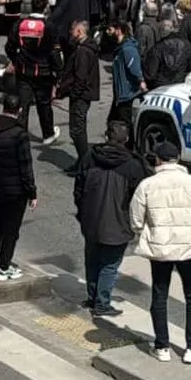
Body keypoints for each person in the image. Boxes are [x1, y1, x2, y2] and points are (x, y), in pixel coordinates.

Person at [129, 140, 191, 364]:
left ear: (157, 160)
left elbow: (136, 219)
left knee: (159, 295)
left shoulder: (147, 185)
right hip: (189, 248)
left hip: (160, 248)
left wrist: (143, 233)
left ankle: (162, 346)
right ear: (178, 159)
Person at [75, 119, 145, 316]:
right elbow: (138, 198)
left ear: (106, 136)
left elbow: (78, 190)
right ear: (127, 140)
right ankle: (102, 303)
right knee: (110, 265)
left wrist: (82, 213)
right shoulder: (132, 166)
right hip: (119, 223)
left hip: (91, 219)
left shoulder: (90, 157)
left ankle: (92, 297)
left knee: (92, 259)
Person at [0, 91, 37, 280]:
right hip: (16, 191)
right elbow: (26, 166)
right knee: (11, 229)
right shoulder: (19, 134)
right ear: (19, 110)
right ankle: (4, 265)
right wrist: (32, 193)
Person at [54, 18, 100, 166]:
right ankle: (82, 161)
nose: (70, 33)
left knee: (77, 130)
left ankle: (85, 162)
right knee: (77, 129)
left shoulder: (83, 51)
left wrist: (73, 93)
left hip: (81, 96)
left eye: (72, 30)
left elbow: (80, 76)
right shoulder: (84, 49)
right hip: (82, 94)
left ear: (79, 31)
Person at [10, 10, 59, 140]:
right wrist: (58, 71)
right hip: (43, 72)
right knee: (44, 104)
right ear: (45, 9)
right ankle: (48, 134)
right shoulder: (48, 26)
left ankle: (20, 136)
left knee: (23, 105)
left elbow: (9, 46)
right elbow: (53, 52)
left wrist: (16, 61)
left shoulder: (20, 24)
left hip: (24, 71)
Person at [107, 20, 145, 137]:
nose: (108, 32)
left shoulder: (127, 49)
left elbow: (134, 69)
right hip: (120, 94)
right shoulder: (121, 48)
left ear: (118, 30)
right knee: (113, 122)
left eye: (110, 29)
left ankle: (128, 148)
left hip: (126, 94)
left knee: (124, 125)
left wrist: (141, 82)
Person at [142, 11, 191, 89]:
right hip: (179, 85)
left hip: (160, 88)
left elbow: (150, 74)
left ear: (161, 31)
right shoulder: (186, 45)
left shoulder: (156, 49)